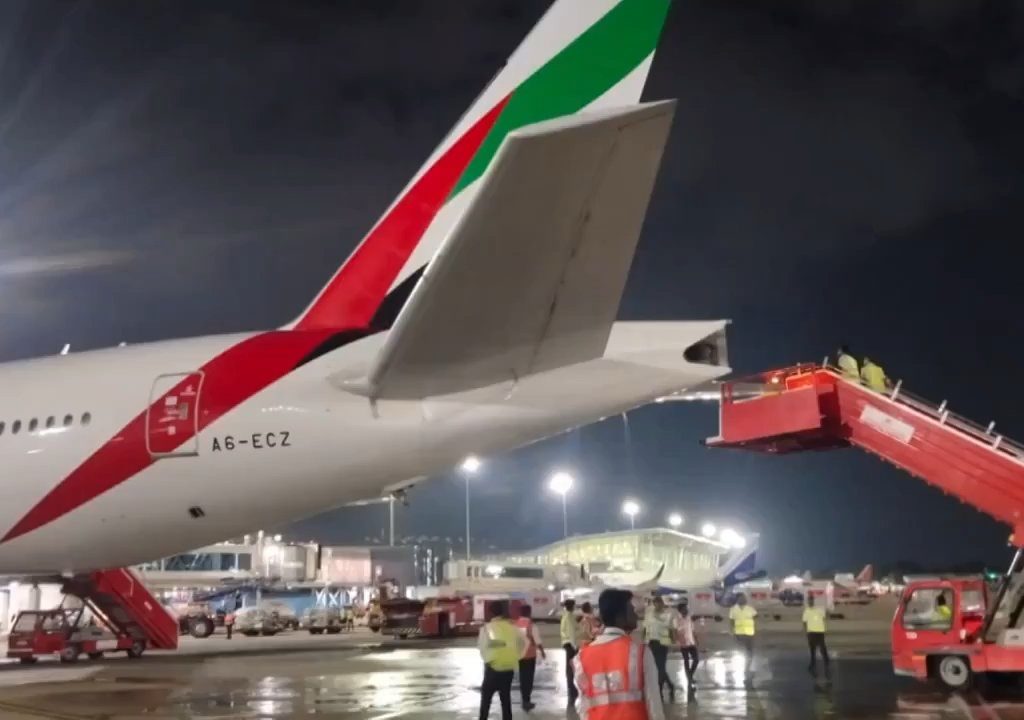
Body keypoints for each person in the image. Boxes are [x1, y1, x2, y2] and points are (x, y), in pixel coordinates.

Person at [574, 589, 665, 720]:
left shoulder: (582, 657)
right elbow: (654, 706)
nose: (635, 614)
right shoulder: (640, 653)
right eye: (631, 609)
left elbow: (583, 708)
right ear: (620, 617)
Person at [477, 600, 524, 720]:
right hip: (509, 668)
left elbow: (482, 646)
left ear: (491, 613)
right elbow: (522, 643)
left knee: (486, 700)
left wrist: (489, 659)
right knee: (505, 700)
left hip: (493, 668)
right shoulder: (514, 628)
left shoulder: (488, 628)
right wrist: (515, 657)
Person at [643, 596, 676, 702]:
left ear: (662, 604)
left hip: (663, 644)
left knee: (661, 668)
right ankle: (670, 686)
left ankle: (660, 689)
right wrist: (644, 641)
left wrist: (674, 642)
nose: (657, 605)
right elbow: (645, 628)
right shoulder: (649, 615)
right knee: (657, 667)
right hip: (652, 642)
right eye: (655, 603)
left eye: (659, 603)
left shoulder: (667, 615)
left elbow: (671, 629)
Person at [515, 604, 545, 712]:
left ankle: (524, 699)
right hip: (529, 655)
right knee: (529, 678)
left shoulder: (516, 624)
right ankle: (526, 701)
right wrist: (542, 651)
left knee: (523, 678)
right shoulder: (531, 625)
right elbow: (537, 641)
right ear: (529, 612)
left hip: (519, 655)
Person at [802, 594, 830, 680]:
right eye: (809, 600)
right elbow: (804, 622)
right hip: (811, 632)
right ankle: (813, 662)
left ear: (813, 601)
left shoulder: (819, 610)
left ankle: (826, 661)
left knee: (822, 647)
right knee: (812, 648)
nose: (810, 602)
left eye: (811, 600)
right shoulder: (806, 611)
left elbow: (826, 616)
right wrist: (806, 631)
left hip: (819, 631)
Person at [673, 602, 699, 689]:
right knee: (686, 660)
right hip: (683, 643)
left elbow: (693, 630)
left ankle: (690, 675)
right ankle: (689, 678)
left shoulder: (689, 618)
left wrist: (697, 640)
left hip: (691, 642)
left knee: (696, 659)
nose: (687, 610)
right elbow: (675, 631)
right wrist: (677, 641)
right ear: (680, 610)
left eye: (687, 608)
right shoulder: (676, 620)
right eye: (685, 608)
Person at [560, 599, 581, 707]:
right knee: (570, 667)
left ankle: (571, 688)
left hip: (567, 643)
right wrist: (575, 646)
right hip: (570, 644)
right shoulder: (569, 617)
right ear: (572, 606)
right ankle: (571, 688)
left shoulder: (567, 616)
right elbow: (571, 632)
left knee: (570, 667)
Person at [729, 594, 757, 671]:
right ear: (737, 600)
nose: (743, 600)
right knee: (741, 646)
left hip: (749, 631)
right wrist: (732, 630)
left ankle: (749, 661)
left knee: (749, 647)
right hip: (739, 631)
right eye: (741, 598)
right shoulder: (733, 609)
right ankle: (745, 661)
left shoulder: (750, 609)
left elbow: (755, 616)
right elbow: (731, 620)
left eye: (744, 598)